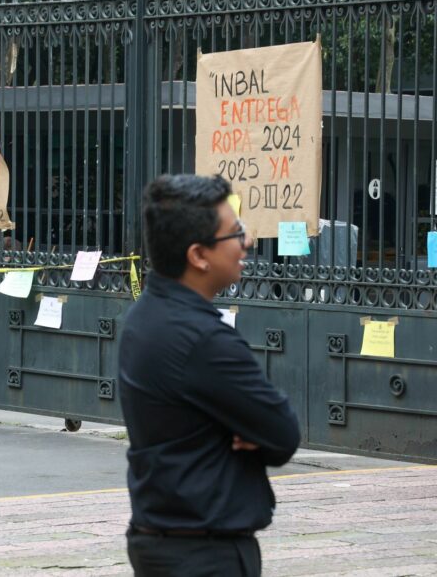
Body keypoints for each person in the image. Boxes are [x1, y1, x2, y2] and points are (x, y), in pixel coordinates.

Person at [118, 174, 301, 577]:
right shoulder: (203, 339)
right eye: (234, 233)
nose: (246, 242)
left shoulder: (144, 316)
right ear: (199, 255)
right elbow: (283, 433)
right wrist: (245, 428)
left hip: (162, 539)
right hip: (205, 556)